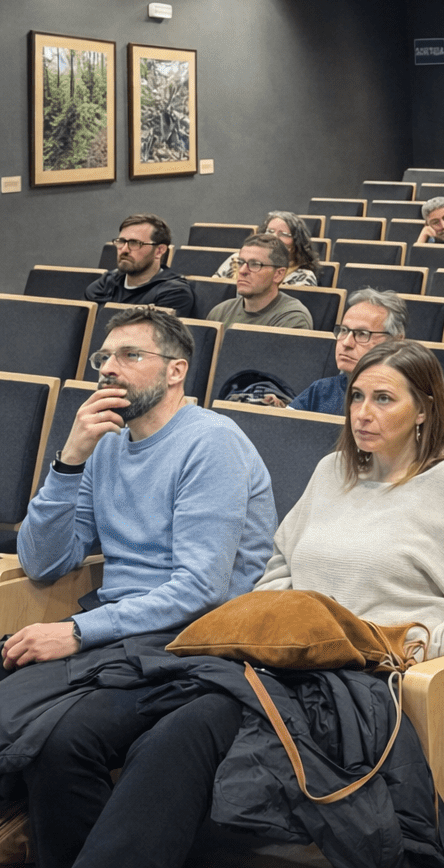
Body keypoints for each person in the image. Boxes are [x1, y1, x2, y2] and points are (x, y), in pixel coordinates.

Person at [51, 339, 444, 868]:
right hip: (284, 666)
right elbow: (278, 570)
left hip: (363, 680)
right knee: (162, 737)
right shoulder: (334, 472)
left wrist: (407, 650)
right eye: (356, 398)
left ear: (424, 409)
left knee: (182, 744)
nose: (363, 414)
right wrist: (274, 632)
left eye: (383, 399)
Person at [0, 307, 276, 868]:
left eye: (130, 355)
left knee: (61, 741)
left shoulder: (211, 443)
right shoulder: (104, 443)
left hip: (194, 642)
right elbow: (44, 560)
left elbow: (200, 588)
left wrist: (76, 631)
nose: (110, 368)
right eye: (105, 356)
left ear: (176, 371)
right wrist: (69, 460)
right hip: (122, 629)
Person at [279, 288, 408, 414]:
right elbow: (281, 429)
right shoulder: (322, 390)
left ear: (395, 341)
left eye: (362, 334)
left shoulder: (405, 399)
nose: (346, 343)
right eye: (344, 330)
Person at [84, 213, 194, 317]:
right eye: (121, 241)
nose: (124, 250)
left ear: (159, 251)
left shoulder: (174, 293)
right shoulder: (106, 283)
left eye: (135, 243)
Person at [206, 234, 314, 329]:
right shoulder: (219, 313)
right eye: (241, 262)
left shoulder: (293, 319)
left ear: (278, 274)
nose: (242, 271)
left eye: (255, 264)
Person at [213, 210, 320, 285]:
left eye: (283, 234)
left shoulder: (303, 276)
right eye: (270, 231)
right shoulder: (236, 260)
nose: (273, 237)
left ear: (296, 243)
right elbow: (213, 290)